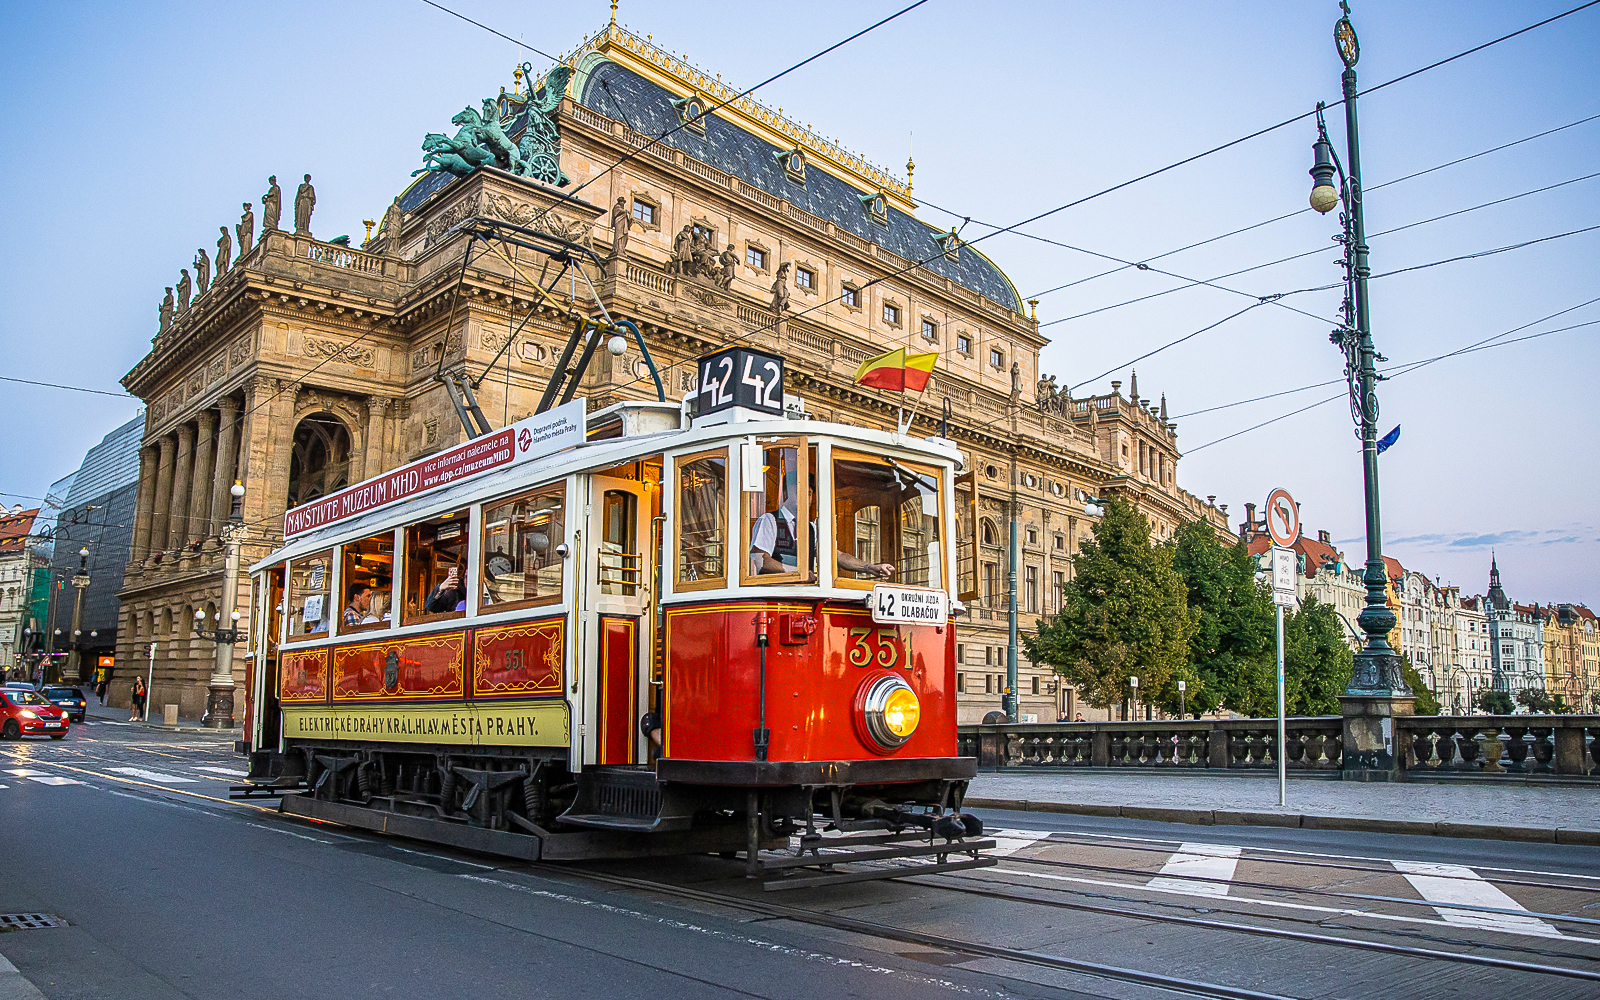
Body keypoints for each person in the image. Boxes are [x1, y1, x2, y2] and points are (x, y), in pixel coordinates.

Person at [749, 469, 894, 580]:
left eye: (809, 493)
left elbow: (836, 555)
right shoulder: (769, 520)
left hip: (802, 596)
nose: (806, 497)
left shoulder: (811, 528)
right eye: (800, 490)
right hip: (774, 598)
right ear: (786, 493)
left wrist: (869, 567)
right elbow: (762, 561)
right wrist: (798, 572)